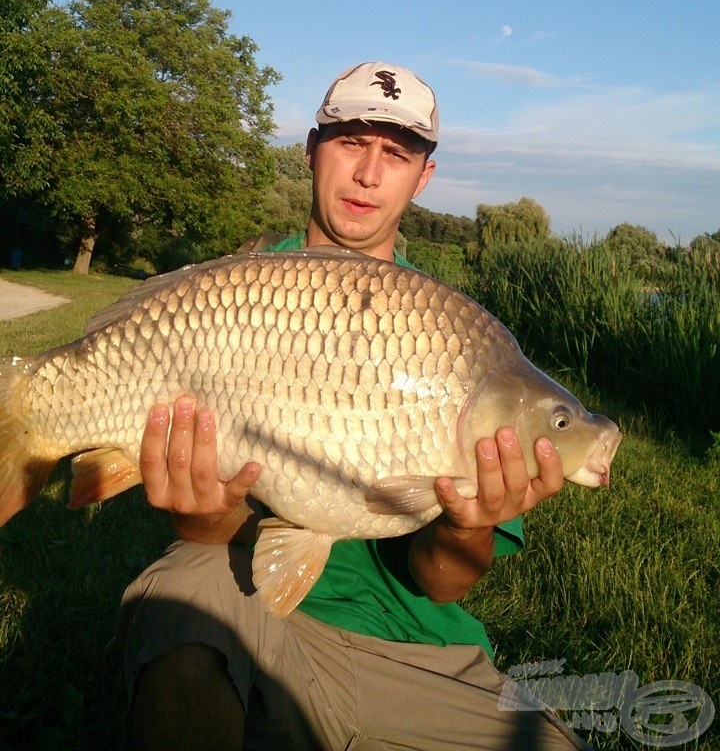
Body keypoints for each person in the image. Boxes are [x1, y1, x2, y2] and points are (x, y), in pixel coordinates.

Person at [117, 62, 588, 751]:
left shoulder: (461, 343)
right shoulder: (226, 297)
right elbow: (211, 539)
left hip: (422, 657)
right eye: (349, 144)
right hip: (258, 621)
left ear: (422, 177)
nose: (368, 173)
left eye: (395, 154)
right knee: (183, 592)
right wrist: (202, 514)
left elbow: (441, 582)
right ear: (312, 151)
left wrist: (466, 526)